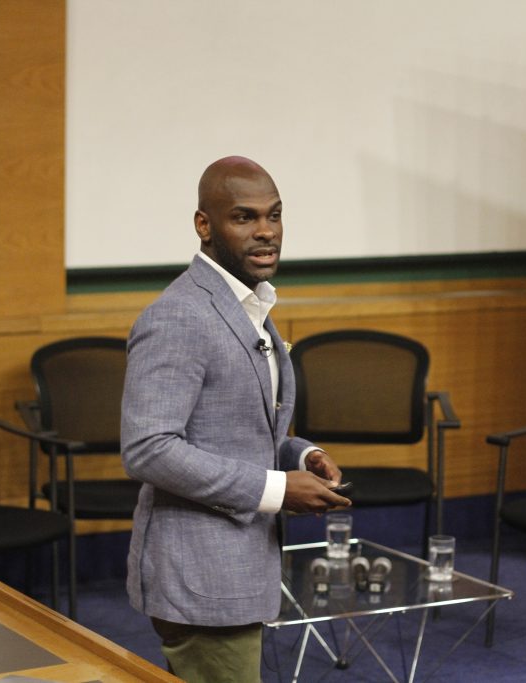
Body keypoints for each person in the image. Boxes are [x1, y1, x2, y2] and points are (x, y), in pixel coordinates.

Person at [121, 156, 351, 682]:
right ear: (204, 225)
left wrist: (301, 454)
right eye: (244, 218)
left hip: (237, 567)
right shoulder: (180, 316)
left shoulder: (247, 305)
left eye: (274, 215)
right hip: (200, 576)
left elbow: (235, 423)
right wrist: (276, 490)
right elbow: (148, 447)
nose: (266, 231)